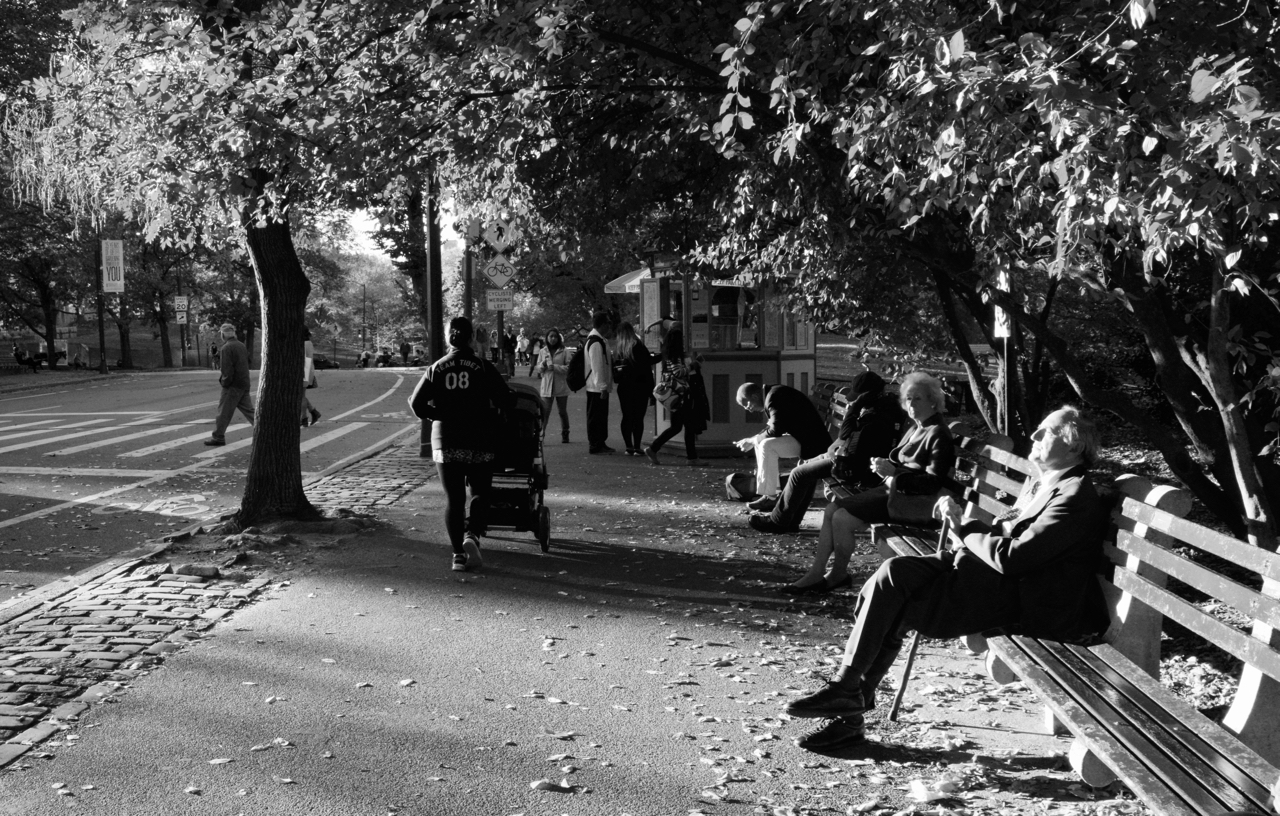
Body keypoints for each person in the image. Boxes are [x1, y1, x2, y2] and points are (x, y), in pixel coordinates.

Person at [785, 405, 1109, 753]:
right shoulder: (1044, 482)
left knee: (898, 599)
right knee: (890, 577)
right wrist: (961, 527)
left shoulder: (1074, 495)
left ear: (1075, 447)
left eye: (1046, 432)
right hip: (991, 576)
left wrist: (964, 527)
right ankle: (847, 695)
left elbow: (1013, 558)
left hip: (1026, 601)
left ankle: (848, 704)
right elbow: (1007, 539)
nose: (1034, 436)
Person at [783, 371, 956, 594]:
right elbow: (900, 462)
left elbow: (933, 482)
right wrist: (884, 464)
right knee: (831, 510)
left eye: (918, 398)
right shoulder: (917, 427)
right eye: (909, 398)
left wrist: (896, 473)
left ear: (933, 401)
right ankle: (817, 573)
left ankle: (836, 575)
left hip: (911, 502)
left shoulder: (937, 433)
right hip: (892, 492)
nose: (911, 404)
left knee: (842, 518)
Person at [409, 316, 513, 573]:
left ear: (448, 338)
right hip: (479, 437)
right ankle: (472, 536)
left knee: (454, 499)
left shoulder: (436, 367)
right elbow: (505, 399)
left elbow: (416, 403)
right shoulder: (482, 366)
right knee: (480, 493)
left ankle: (457, 555)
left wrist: (438, 414)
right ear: (470, 338)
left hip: (447, 439)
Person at [749, 371, 905, 534]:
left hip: (861, 467)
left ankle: (778, 522)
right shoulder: (883, 406)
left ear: (867, 395)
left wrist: (855, 407)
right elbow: (847, 441)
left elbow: (845, 436)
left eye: (859, 397)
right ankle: (790, 521)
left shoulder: (876, 414)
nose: (855, 401)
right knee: (806, 467)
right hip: (854, 458)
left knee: (799, 474)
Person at [733, 381, 833, 512]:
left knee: (766, 445)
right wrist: (753, 440)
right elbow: (773, 427)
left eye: (746, 404)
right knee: (762, 443)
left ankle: (770, 497)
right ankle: (769, 495)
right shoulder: (773, 394)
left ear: (755, 397)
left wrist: (752, 441)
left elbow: (776, 429)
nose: (747, 409)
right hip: (804, 438)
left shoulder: (774, 397)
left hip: (812, 444)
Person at [643, 328, 710, 465]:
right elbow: (678, 373)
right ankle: (691, 457)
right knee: (688, 427)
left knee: (677, 426)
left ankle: (654, 448)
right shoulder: (675, 356)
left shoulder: (667, 353)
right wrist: (693, 365)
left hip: (674, 395)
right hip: (681, 395)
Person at [205, 323, 255, 446]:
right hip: (244, 383)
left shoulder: (227, 348)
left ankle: (218, 436)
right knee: (250, 412)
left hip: (233, 385)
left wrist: (225, 382)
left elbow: (227, 369)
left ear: (223, 335)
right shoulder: (241, 345)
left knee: (223, 413)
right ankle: (266, 430)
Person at [613, 322, 655, 456]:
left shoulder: (618, 350)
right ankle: (637, 446)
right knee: (638, 417)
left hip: (624, 387)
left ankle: (628, 446)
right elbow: (646, 368)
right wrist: (651, 391)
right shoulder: (639, 346)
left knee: (627, 416)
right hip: (640, 386)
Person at [583, 311, 616, 454]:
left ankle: (600, 442)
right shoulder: (596, 343)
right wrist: (602, 386)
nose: (609, 326)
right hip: (596, 387)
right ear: (602, 325)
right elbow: (597, 366)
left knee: (600, 416)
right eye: (608, 323)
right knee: (596, 416)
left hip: (597, 386)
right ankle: (595, 444)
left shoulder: (599, 340)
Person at [536, 328, 572, 442]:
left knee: (562, 411)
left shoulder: (564, 351)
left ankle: (565, 431)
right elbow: (538, 368)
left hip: (560, 385)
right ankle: (541, 435)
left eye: (555, 337)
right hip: (547, 386)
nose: (553, 339)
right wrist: (542, 366)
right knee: (545, 412)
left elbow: (569, 368)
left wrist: (556, 367)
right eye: (550, 336)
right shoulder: (543, 351)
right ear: (547, 338)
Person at [300, 329, 322, 428]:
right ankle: (313, 412)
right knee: (300, 395)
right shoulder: (308, 342)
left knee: (301, 395)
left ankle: (304, 418)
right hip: (307, 370)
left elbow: (303, 359)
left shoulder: (304, 343)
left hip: (304, 370)